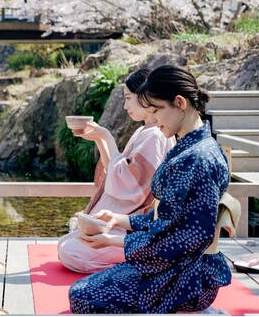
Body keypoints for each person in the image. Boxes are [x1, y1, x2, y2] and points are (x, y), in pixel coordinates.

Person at [68, 64, 232, 314]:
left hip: (184, 278)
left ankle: (185, 310)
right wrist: (119, 220)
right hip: (176, 265)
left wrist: (112, 241)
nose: (153, 119)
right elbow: (168, 219)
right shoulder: (195, 147)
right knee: (82, 290)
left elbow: (185, 237)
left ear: (179, 102)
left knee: (82, 296)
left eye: (156, 110)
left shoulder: (195, 158)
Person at [58, 68, 175, 274]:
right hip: (123, 219)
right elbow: (116, 172)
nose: (125, 105)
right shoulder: (143, 131)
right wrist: (100, 140)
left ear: (146, 97)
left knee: (70, 251)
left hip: (135, 222)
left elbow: (128, 185)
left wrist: (108, 138)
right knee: (65, 243)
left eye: (129, 98)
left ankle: (135, 264)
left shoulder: (156, 136)